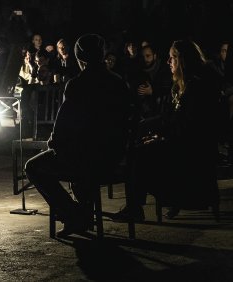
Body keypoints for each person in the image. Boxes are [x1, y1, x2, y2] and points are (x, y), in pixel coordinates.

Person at [25, 34, 130, 236]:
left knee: (34, 167)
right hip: (115, 157)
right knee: (77, 154)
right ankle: (81, 212)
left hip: (86, 159)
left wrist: (54, 143)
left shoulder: (77, 85)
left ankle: (74, 214)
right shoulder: (118, 83)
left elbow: (63, 127)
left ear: (80, 59)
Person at [112, 40, 221, 222]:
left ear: (183, 60)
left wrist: (160, 137)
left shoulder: (197, 86)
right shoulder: (179, 85)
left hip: (190, 144)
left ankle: (136, 207)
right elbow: (167, 117)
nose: (169, 62)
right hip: (176, 137)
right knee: (138, 144)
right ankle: (136, 205)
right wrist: (145, 127)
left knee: (141, 153)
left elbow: (191, 126)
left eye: (173, 58)